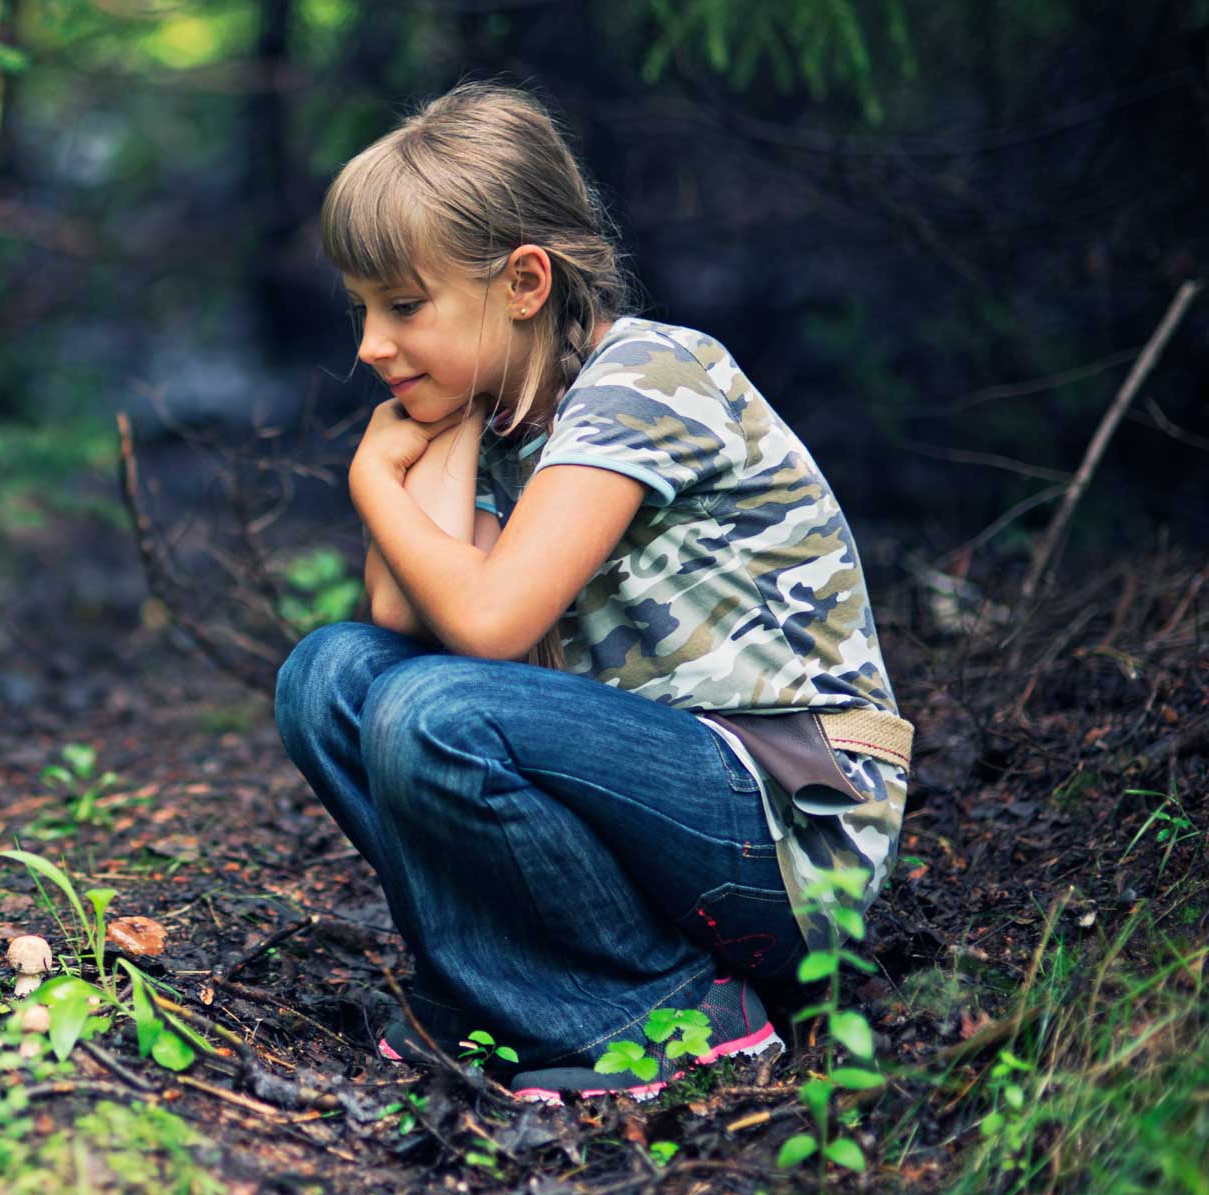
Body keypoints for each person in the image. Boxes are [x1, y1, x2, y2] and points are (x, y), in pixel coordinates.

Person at [273, 82, 913, 1104]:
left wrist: (369, 479)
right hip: (660, 813)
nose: (369, 347)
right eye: (362, 311)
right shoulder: (506, 417)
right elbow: (398, 615)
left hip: (791, 834)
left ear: (525, 281)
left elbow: (486, 624)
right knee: (329, 675)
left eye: (403, 307)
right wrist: (450, 434)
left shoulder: (646, 378)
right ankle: (515, 989)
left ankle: (663, 1011)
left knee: (431, 710)